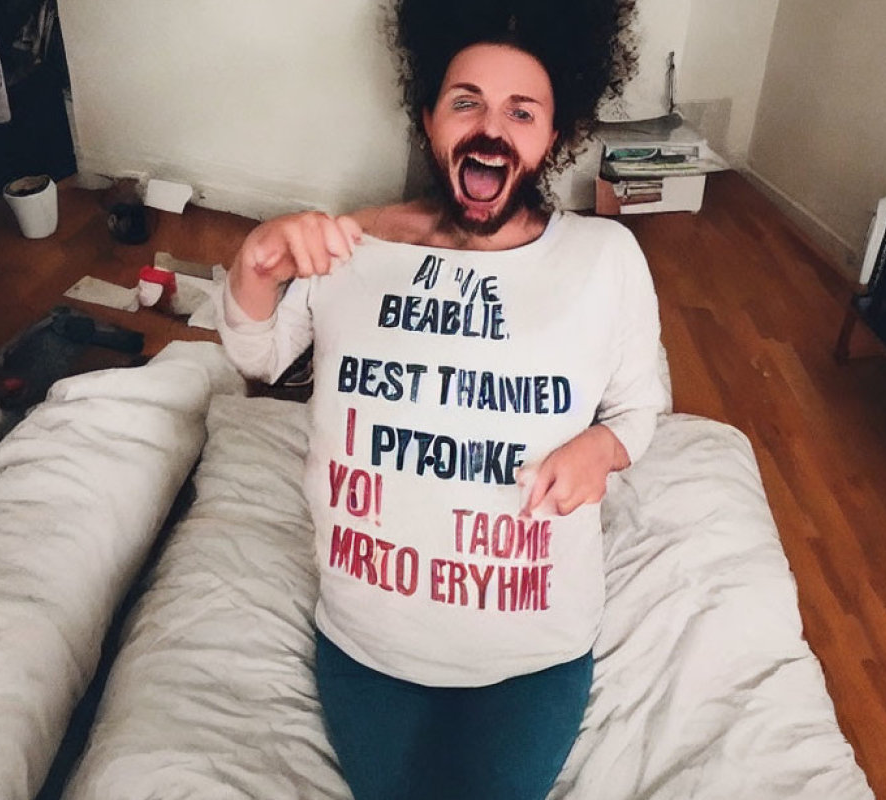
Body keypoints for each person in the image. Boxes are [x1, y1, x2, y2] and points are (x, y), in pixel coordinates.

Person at [214, 2, 664, 798]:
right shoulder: (352, 244)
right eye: (467, 101)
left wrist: (602, 449)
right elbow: (257, 354)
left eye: (521, 112)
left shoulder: (607, 258)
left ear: (551, 139)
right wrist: (256, 263)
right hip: (367, 643)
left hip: (533, 650)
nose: (492, 127)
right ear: (431, 123)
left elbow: (640, 404)